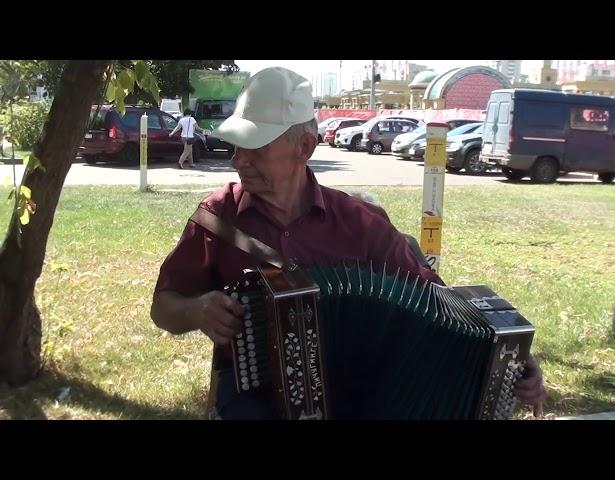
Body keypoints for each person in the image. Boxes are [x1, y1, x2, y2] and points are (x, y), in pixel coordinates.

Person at [151, 67, 547, 420]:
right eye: (238, 146)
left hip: (362, 396)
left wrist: (511, 358)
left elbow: (434, 297)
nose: (239, 160)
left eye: (256, 147)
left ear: (304, 147)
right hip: (254, 400)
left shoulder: (360, 224)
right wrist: (197, 310)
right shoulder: (219, 218)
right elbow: (163, 308)